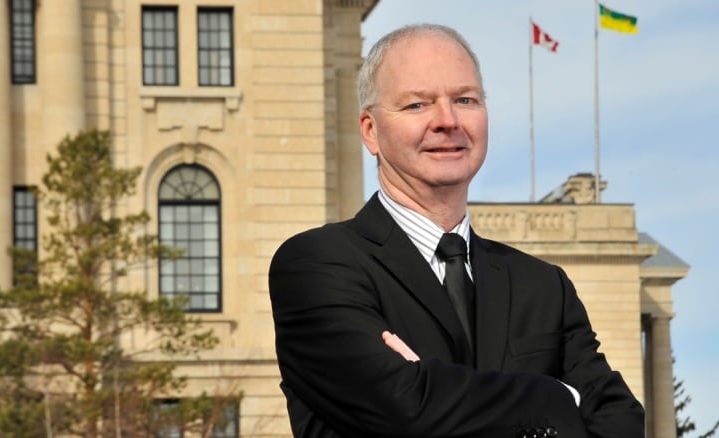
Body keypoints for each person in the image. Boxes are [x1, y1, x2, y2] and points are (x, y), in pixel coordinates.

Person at [269, 23, 644, 438]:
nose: (447, 121)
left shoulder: (543, 287)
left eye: (465, 99)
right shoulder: (318, 266)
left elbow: (621, 421)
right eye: (417, 105)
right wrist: (558, 397)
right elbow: (407, 411)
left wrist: (436, 390)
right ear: (371, 131)